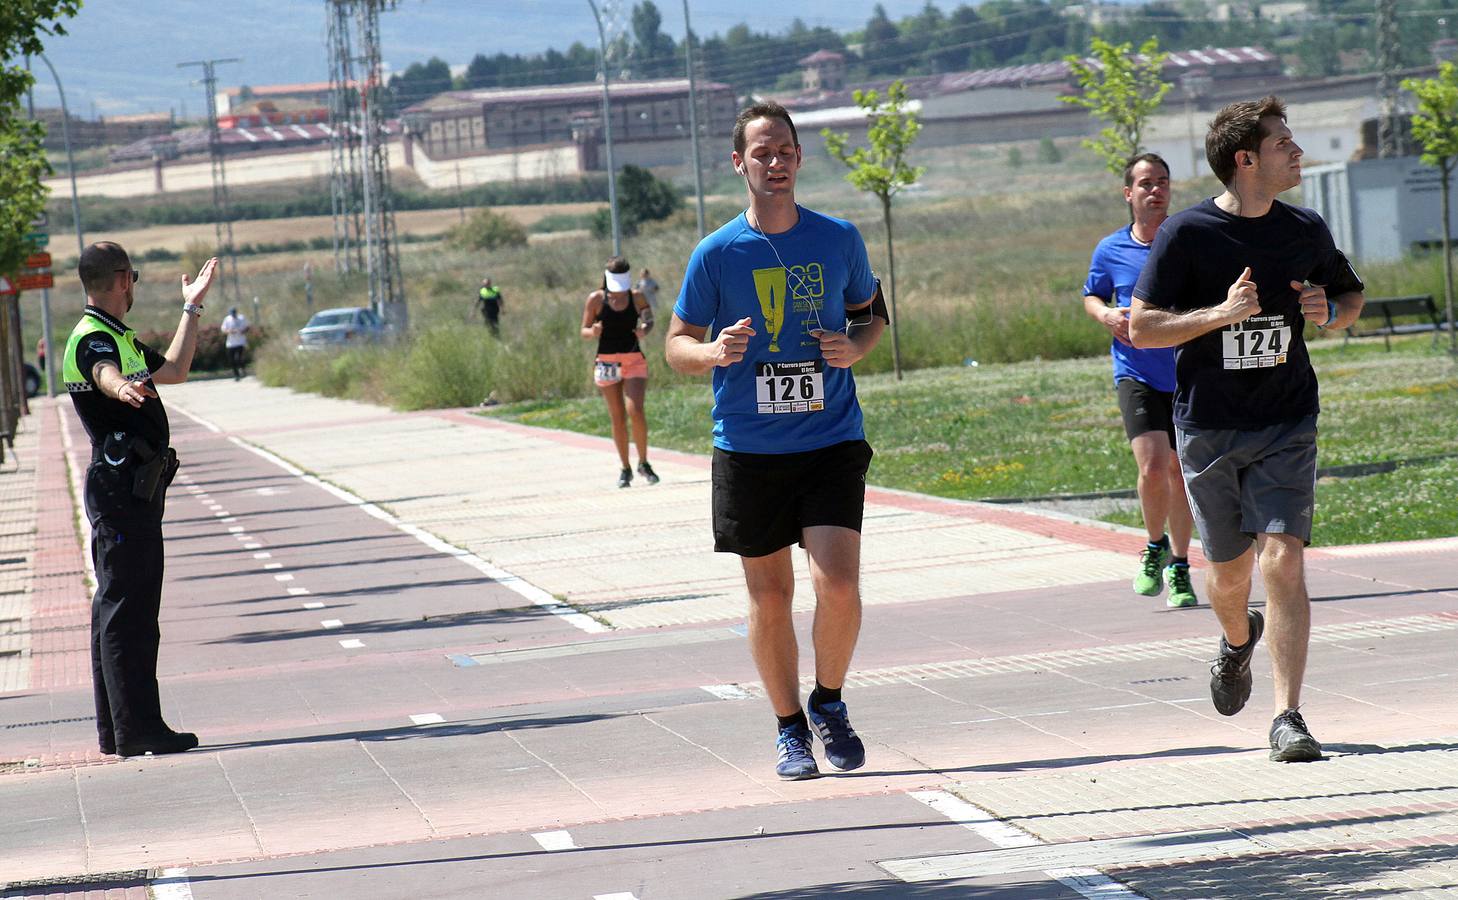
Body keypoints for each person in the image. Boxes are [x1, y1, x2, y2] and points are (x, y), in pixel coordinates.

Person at [1130, 96, 1365, 763]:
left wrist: (1327, 313)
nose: (1295, 151)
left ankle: (1287, 716)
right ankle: (1238, 640)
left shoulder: (1304, 228)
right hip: (1209, 426)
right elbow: (1144, 327)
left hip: (1287, 417)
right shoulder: (1188, 236)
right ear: (1245, 159)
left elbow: (1350, 298)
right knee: (1230, 577)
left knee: (1283, 558)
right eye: (1282, 143)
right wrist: (1221, 313)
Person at [666, 101, 888, 781]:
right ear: (740, 164)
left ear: (798, 158)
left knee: (840, 586)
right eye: (762, 152)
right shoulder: (717, 253)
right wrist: (712, 354)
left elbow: (872, 316)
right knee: (769, 599)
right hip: (749, 448)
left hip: (829, 438)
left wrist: (854, 349)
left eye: (785, 150)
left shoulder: (838, 238)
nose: (776, 161)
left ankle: (829, 701)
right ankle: (789, 729)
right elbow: (675, 345)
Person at [62, 241, 218, 758]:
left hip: (132, 492)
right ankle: (137, 729)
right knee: (129, 612)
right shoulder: (93, 340)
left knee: (121, 607)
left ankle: (121, 729)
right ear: (124, 279)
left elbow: (173, 370)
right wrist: (118, 389)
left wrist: (190, 308)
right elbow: (102, 372)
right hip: (120, 494)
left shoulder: (118, 337)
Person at [1082, 154, 1198, 609]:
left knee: (1179, 473)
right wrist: (1106, 313)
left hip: (1188, 373)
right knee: (1152, 466)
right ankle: (1154, 547)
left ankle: (1182, 565)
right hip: (1136, 372)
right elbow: (1092, 293)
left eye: (1163, 182)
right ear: (1128, 193)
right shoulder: (1110, 249)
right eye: (1146, 183)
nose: (1157, 191)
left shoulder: (1188, 240)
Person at [581, 256, 659, 488]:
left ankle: (643, 462)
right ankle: (625, 468)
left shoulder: (636, 296)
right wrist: (593, 331)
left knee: (635, 410)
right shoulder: (595, 299)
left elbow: (649, 318)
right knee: (617, 416)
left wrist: (645, 328)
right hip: (606, 362)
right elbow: (583, 330)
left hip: (633, 359)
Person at [220, 305, 249, 380]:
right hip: (231, 343)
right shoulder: (227, 319)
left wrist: (243, 331)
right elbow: (223, 329)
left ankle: (242, 369)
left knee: (239, 358)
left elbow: (247, 327)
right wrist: (229, 331)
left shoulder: (241, 318)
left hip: (240, 342)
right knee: (231, 360)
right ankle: (236, 375)